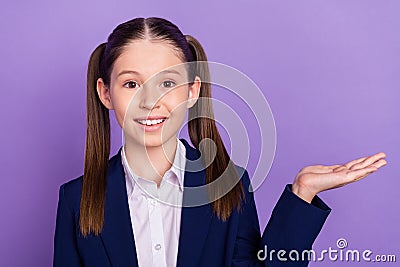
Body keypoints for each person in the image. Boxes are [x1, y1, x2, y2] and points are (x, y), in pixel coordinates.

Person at [53, 17, 387, 267]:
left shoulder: (229, 185)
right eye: (131, 84)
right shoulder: (76, 199)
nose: (150, 101)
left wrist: (303, 193)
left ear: (192, 91)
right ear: (105, 93)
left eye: (167, 82)